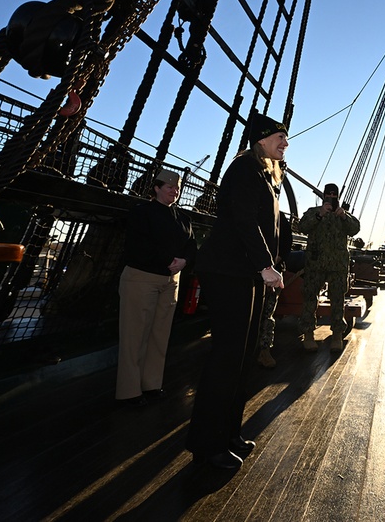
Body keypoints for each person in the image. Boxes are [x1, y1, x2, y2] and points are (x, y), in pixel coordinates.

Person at [184, 112, 287, 470]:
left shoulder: (266, 173)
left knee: (243, 358)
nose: (285, 144)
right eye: (280, 137)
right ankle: (206, 445)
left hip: (248, 274)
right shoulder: (244, 170)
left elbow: (270, 226)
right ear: (261, 139)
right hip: (229, 272)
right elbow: (243, 221)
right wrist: (265, 265)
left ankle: (228, 434)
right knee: (227, 357)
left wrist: (270, 265)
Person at [116, 169, 196, 407]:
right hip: (142, 278)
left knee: (159, 335)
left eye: (177, 188)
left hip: (170, 282)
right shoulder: (142, 212)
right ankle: (128, 392)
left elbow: (191, 245)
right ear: (156, 188)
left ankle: (151, 384)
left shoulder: (183, 218)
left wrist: (185, 261)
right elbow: (138, 244)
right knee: (134, 335)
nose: (174, 191)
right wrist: (169, 260)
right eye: (169, 187)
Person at [296, 183, 361, 352]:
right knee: (310, 298)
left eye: (334, 195)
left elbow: (355, 229)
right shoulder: (313, 212)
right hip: (315, 264)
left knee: (338, 300)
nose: (331, 197)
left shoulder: (343, 215)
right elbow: (302, 227)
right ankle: (308, 334)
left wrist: (344, 216)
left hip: (337, 265)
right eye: (328, 195)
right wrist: (319, 214)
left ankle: (337, 335)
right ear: (323, 196)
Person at [256, 213, 293, 368]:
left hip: (273, 273)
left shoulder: (279, 217)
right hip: (250, 272)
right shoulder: (249, 212)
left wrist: (276, 260)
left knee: (267, 313)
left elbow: (286, 242)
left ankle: (264, 350)